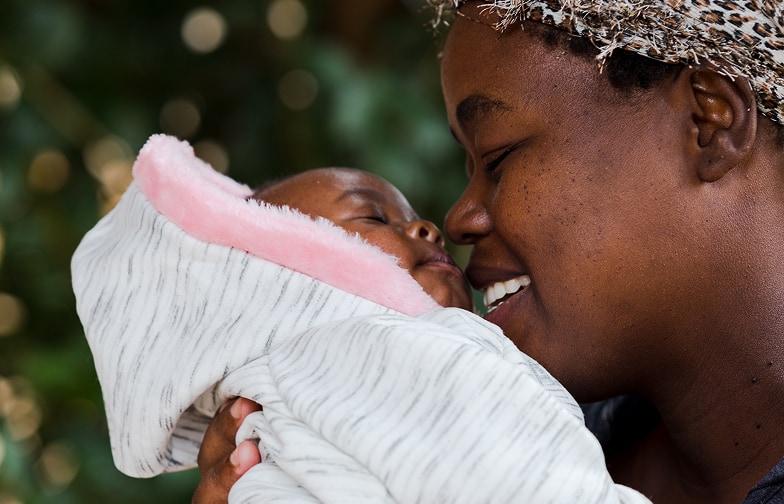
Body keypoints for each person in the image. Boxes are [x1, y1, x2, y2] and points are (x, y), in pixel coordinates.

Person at [194, 1, 784, 503]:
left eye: (497, 157)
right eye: (469, 167)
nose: (457, 220)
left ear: (709, 121)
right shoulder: (467, 449)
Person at [73, 134, 643, 503]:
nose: (429, 227)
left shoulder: (285, 402)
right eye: (374, 217)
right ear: (281, 279)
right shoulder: (382, 347)